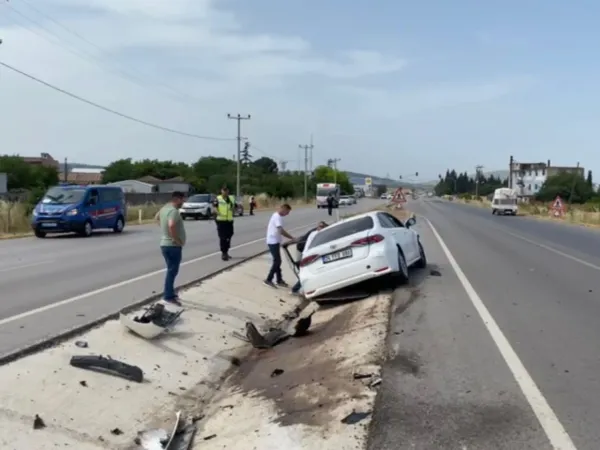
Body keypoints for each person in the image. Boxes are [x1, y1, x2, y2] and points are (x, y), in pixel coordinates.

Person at [158, 191, 186, 306]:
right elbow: (171, 225)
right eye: (183, 200)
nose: (184, 202)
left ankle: (170, 292)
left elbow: (156, 218)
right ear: (178, 199)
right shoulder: (174, 211)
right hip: (172, 245)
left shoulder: (164, 209)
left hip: (164, 244)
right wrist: (175, 238)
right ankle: (168, 296)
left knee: (171, 270)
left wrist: (165, 232)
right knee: (172, 271)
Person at [290, 221, 329, 295]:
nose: (320, 228)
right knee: (307, 274)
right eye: (320, 227)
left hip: (308, 255)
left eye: (321, 227)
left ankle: (300, 288)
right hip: (308, 256)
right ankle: (295, 289)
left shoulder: (315, 233)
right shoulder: (316, 234)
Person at [264, 204, 294, 288]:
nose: (287, 214)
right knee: (277, 261)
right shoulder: (277, 217)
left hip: (275, 241)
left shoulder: (277, 216)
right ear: (283, 209)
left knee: (277, 261)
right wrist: (291, 238)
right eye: (287, 212)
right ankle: (269, 279)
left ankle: (279, 280)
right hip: (272, 241)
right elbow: (280, 231)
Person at [213, 186, 237, 261]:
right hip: (221, 221)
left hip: (229, 220)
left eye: (226, 191)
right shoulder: (218, 199)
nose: (225, 192)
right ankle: (224, 253)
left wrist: (233, 210)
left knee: (229, 235)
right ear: (221, 191)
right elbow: (214, 208)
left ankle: (226, 251)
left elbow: (234, 206)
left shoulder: (231, 198)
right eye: (224, 191)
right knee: (223, 237)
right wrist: (217, 212)